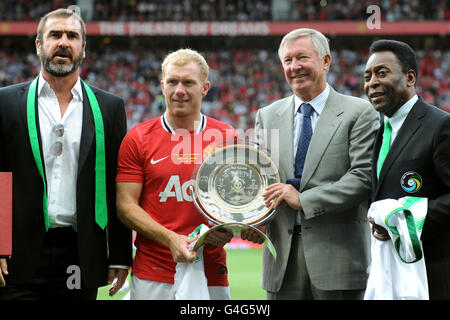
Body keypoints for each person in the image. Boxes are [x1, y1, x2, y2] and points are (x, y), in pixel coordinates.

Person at [0, 8, 132, 299]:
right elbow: (0, 179)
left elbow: (116, 182)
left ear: (83, 47)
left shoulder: (109, 108)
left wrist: (121, 253)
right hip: (18, 253)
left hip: (79, 252)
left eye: (72, 36)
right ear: (38, 45)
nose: (63, 42)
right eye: (55, 35)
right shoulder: (5, 102)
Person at [249, 28, 379, 300]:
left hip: (339, 258)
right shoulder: (267, 115)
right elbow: (259, 178)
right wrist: (251, 218)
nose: (294, 67)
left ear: (326, 61)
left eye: (302, 58)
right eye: (287, 60)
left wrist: (302, 199)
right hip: (281, 261)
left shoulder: (360, 112)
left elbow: (362, 178)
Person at [116, 48, 239, 300]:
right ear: (162, 86)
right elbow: (125, 206)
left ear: (205, 88)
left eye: (188, 83)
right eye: (172, 82)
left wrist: (231, 228)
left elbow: (238, 201)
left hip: (210, 267)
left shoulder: (228, 138)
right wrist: (170, 238)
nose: (179, 90)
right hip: (154, 269)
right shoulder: (138, 138)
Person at [364, 39, 450, 299]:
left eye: (382, 73)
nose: (371, 83)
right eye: (367, 76)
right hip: (390, 277)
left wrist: (401, 219)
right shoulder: (379, 133)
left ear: (410, 77)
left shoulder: (440, 126)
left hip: (431, 277)